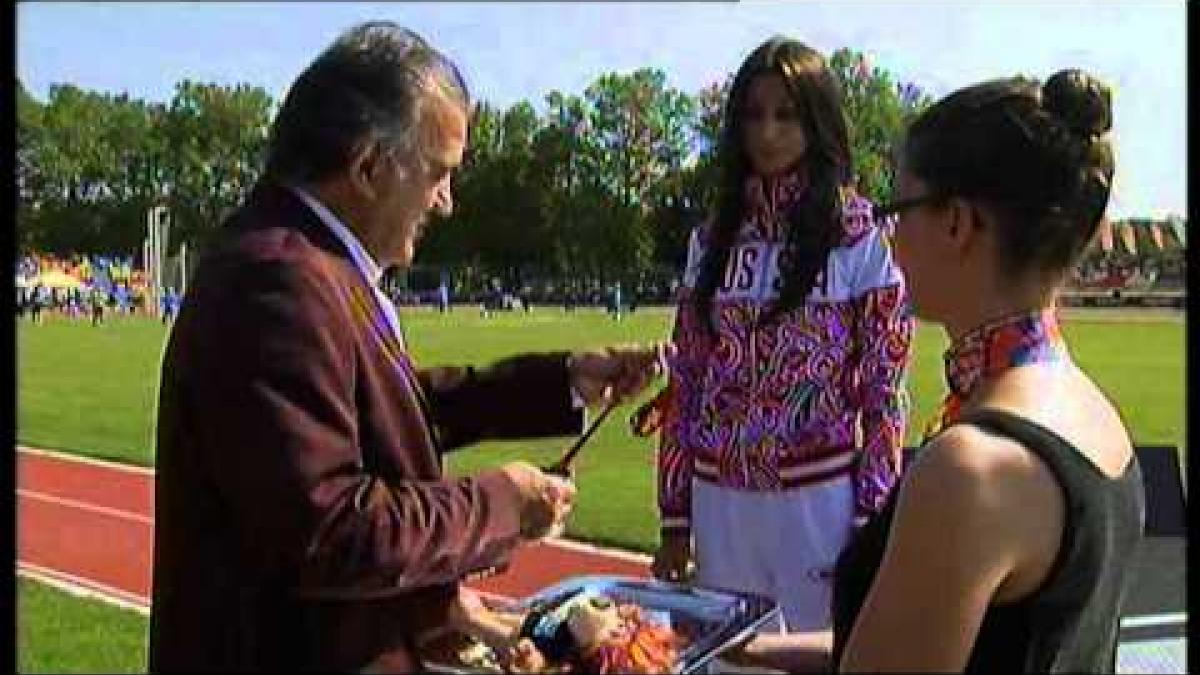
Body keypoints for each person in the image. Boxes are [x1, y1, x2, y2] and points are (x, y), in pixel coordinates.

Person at [149, 22, 663, 672]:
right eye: (438, 173)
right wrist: (499, 502)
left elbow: (391, 409)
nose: (446, 202)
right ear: (367, 166)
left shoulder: (311, 262)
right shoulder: (278, 277)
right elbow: (329, 529)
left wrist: (562, 379)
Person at [729, 69, 1145, 673]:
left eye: (898, 211)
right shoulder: (1092, 413)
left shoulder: (970, 469)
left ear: (956, 222)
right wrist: (748, 649)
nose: (891, 241)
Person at [650, 36, 913, 637]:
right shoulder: (711, 240)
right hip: (720, 503)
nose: (767, 132)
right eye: (753, 115)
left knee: (815, 656)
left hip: (819, 501)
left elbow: (885, 392)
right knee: (724, 657)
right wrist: (675, 517)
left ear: (817, 121)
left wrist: (871, 520)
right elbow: (686, 386)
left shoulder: (860, 236)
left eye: (786, 114)